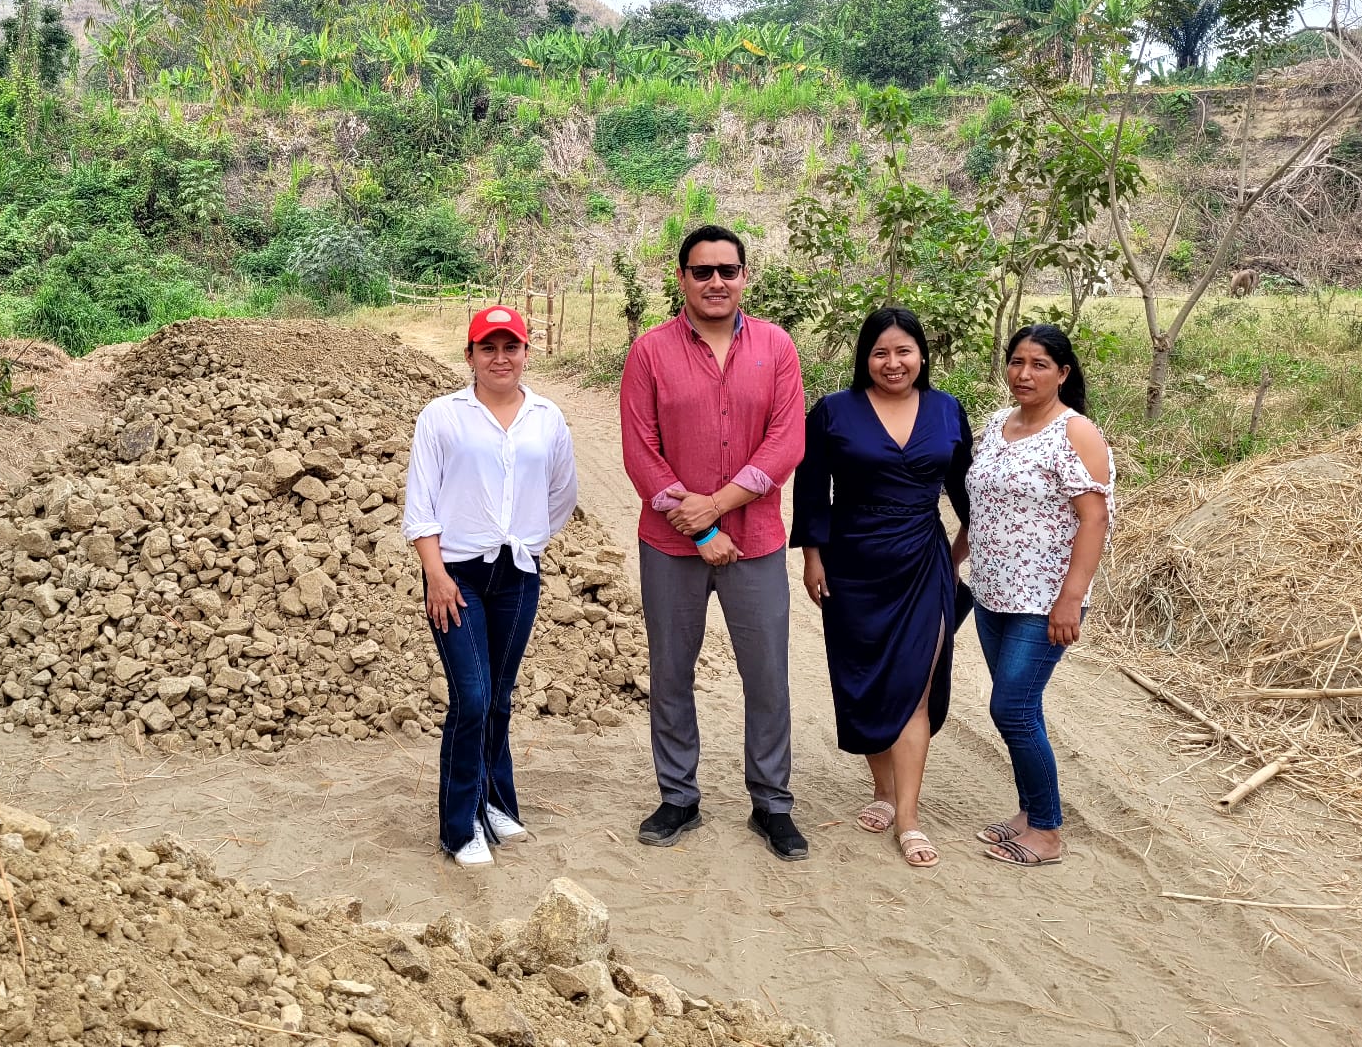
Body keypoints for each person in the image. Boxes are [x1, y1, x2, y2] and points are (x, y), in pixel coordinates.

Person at [619, 224, 809, 861]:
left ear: (745, 277)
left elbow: (786, 443)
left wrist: (719, 507)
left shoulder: (777, 348)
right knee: (671, 672)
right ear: (682, 279)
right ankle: (678, 796)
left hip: (755, 541)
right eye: (702, 271)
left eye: (728, 270)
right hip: (671, 545)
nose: (716, 282)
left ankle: (771, 803)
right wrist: (700, 528)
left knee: (768, 674)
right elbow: (641, 453)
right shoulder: (649, 352)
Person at [792, 307, 971, 869]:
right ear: (864, 358)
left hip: (922, 563)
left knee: (914, 686)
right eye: (880, 353)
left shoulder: (947, 410)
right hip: (852, 565)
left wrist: (957, 554)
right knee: (865, 681)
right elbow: (811, 489)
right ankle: (884, 792)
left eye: (904, 351)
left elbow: (969, 492)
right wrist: (813, 558)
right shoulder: (833, 411)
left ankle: (909, 818)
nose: (893, 363)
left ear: (922, 355)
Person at [403, 305, 579, 868]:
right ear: (470, 355)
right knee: (472, 697)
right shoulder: (442, 417)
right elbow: (420, 504)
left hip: (518, 573)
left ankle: (496, 802)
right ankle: (460, 827)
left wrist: (529, 538)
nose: (500, 358)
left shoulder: (547, 418)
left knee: (499, 695)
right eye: (488, 348)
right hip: (456, 576)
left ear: (527, 352)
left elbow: (562, 494)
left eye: (511, 347)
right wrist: (436, 575)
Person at [966, 323, 1113, 867]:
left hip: (1044, 601)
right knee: (1022, 708)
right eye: (1016, 362)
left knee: (1011, 708)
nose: (1024, 374)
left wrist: (1071, 599)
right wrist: (954, 560)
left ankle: (1047, 832)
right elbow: (980, 507)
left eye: (1039, 365)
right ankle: (1029, 813)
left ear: (1063, 373)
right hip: (992, 593)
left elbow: (1095, 519)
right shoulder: (996, 425)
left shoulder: (1076, 433)